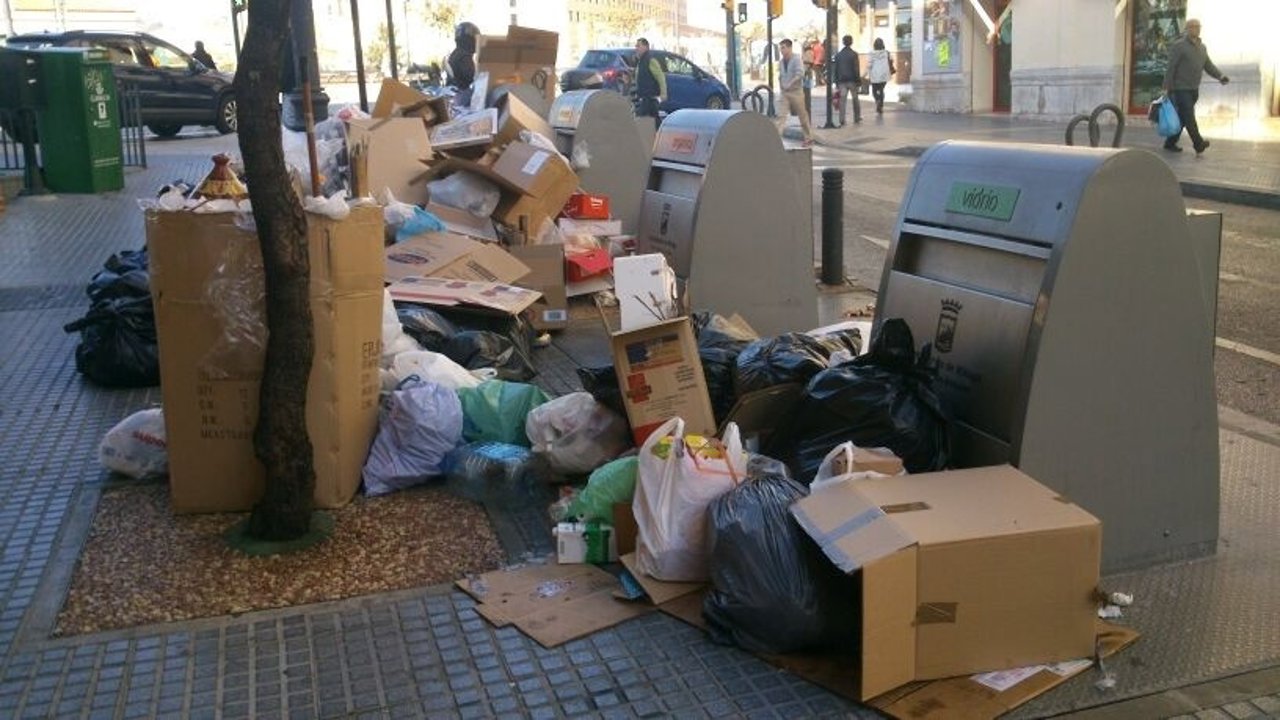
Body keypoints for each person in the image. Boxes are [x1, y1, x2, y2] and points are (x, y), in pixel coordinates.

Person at [1162, 18, 1229, 155]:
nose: (1196, 29)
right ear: (1187, 29)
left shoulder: (1202, 47)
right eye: (1193, 26)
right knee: (1189, 116)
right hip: (1180, 88)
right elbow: (1171, 68)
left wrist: (1220, 77)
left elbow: (1208, 65)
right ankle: (1198, 143)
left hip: (1193, 89)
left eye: (1198, 26)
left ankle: (1170, 142)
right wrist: (1166, 87)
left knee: (1183, 117)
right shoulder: (1179, 46)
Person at [776, 39, 812, 146]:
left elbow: (800, 74)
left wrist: (790, 83)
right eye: (781, 48)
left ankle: (808, 137)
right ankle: (777, 138)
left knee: (802, 115)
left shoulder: (796, 59)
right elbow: (781, 75)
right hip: (785, 92)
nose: (781, 50)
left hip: (796, 91)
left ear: (789, 48)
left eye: (783, 47)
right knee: (781, 115)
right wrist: (781, 85)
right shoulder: (782, 61)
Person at [633, 38, 667, 128]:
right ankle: (659, 135)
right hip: (644, 97)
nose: (636, 48)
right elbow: (639, 78)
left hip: (650, 97)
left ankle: (658, 135)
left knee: (642, 118)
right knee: (653, 120)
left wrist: (663, 94)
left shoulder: (650, 60)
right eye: (636, 46)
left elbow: (661, 78)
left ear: (646, 47)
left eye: (638, 46)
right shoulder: (641, 61)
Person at [834, 35, 861, 126]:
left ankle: (842, 119)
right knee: (855, 99)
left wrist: (836, 82)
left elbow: (836, 69)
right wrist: (858, 81)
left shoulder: (838, 55)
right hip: (852, 80)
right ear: (851, 42)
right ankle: (856, 117)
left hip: (841, 81)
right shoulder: (854, 54)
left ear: (843, 42)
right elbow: (856, 69)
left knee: (842, 100)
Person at [867, 38, 896, 115]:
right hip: (884, 74)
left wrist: (866, 73)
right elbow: (892, 60)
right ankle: (881, 105)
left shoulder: (871, 53)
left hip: (875, 75)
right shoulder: (886, 53)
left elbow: (869, 65)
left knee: (874, 90)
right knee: (881, 89)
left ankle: (877, 100)